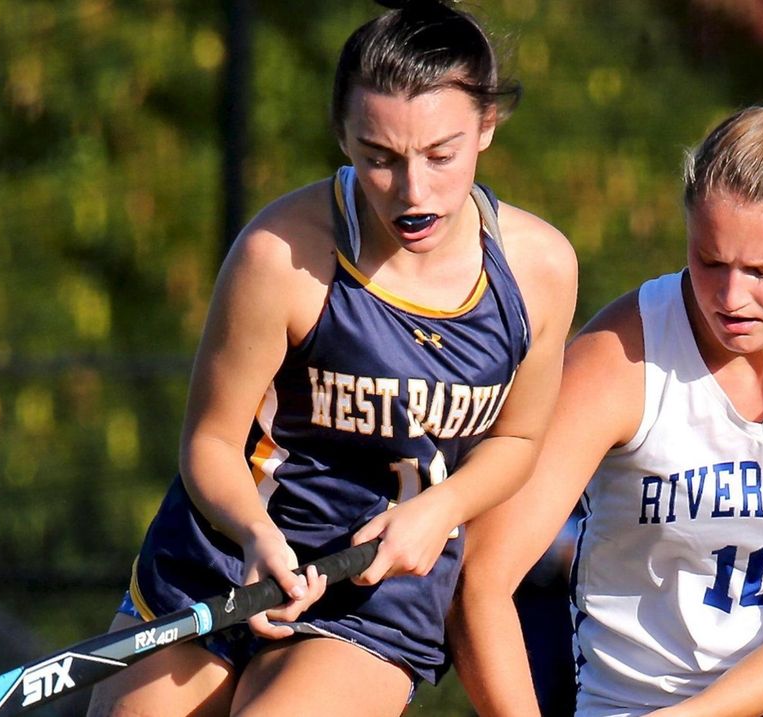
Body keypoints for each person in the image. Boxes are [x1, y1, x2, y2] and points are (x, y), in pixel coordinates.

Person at [86, 1, 578, 715]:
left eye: (441, 155)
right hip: (219, 562)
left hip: (373, 593)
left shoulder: (538, 270)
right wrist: (256, 534)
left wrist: (439, 509)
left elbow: (519, 439)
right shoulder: (281, 255)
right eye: (379, 158)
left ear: (487, 128)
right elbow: (212, 441)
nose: (413, 191)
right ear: (343, 137)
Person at [450, 66, 763, 717]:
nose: (731, 297)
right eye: (710, 261)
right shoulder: (618, 358)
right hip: (638, 699)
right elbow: (480, 578)